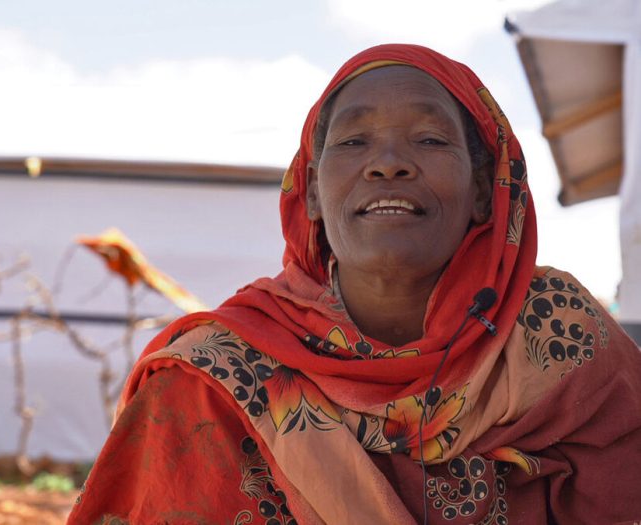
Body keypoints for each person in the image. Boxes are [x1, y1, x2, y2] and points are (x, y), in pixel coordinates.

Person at [67, 44, 641, 525]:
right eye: (353, 142)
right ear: (312, 191)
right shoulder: (212, 379)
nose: (388, 163)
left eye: (430, 140)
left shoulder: (562, 335)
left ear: (485, 188)